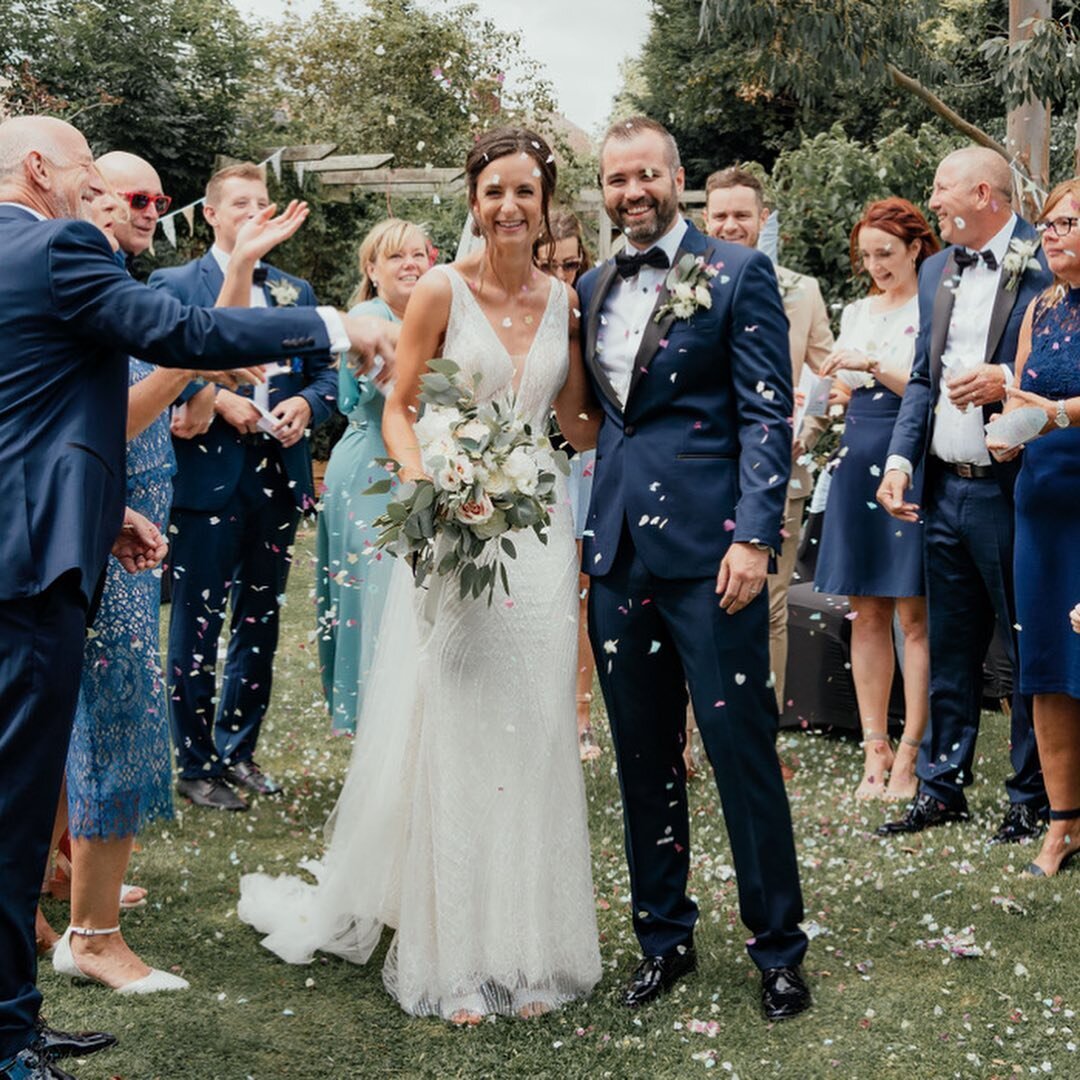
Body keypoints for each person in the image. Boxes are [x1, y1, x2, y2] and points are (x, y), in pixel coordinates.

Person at [0, 115, 393, 1080]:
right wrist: (339, 324)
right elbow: (182, 331)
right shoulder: (55, 243)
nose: (96, 194)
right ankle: (7, 1043)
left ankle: (11, 1022)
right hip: (26, 574)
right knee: (13, 814)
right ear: (42, 169)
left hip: (35, 541)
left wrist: (101, 513)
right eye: (88, 173)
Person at [238, 127, 602, 1025]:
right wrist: (435, 479)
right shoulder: (441, 289)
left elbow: (581, 426)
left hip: (542, 531)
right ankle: (456, 958)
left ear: (545, 200)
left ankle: (528, 951)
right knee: (464, 724)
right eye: (493, 192)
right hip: (456, 526)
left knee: (535, 727)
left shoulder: (567, 301)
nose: (509, 207)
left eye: (525, 191)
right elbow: (400, 410)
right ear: (473, 201)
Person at [579, 116, 810, 1021]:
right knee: (642, 758)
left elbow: (767, 412)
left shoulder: (739, 271)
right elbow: (601, 419)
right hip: (619, 554)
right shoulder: (593, 284)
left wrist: (754, 537)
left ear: (678, 178)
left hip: (716, 556)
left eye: (647, 174)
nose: (632, 191)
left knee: (739, 749)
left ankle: (778, 950)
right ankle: (663, 937)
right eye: (616, 178)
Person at [150, 163, 339, 811]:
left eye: (263, 202)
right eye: (241, 203)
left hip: (276, 479)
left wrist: (309, 407)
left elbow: (326, 373)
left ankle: (240, 749)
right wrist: (212, 393)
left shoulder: (295, 290)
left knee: (260, 622)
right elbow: (151, 360)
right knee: (197, 624)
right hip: (206, 476)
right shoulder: (173, 283)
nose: (255, 211)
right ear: (210, 214)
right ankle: (196, 762)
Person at [876, 146, 1050, 841]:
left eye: (943, 188)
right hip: (944, 486)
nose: (934, 199)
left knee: (1022, 643)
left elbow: (1063, 366)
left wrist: (1006, 375)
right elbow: (922, 377)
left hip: (1016, 489)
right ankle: (943, 787)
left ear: (985, 193)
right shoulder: (935, 270)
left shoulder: (1048, 262)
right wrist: (898, 460)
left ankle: (1031, 795)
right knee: (950, 645)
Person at [703, 165, 834, 780]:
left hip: (773, 474)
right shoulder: (681, 279)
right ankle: (685, 737)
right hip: (696, 473)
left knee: (771, 608)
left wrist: (807, 430)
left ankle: (761, 735)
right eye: (720, 214)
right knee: (689, 602)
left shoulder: (800, 290)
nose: (730, 224)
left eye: (742, 215)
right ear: (705, 217)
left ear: (763, 218)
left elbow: (827, 364)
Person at [814, 198, 939, 801]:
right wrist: (834, 388)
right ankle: (874, 749)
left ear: (916, 248)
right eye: (866, 255)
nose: (875, 265)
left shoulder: (935, 305)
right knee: (866, 612)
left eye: (886, 253)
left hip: (908, 453)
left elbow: (926, 386)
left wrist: (868, 362)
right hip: (858, 452)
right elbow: (846, 384)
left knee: (913, 616)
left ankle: (913, 752)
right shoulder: (857, 308)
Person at [987, 178, 1080, 875]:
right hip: (1040, 506)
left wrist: (1054, 416)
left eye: (1069, 222)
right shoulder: (1040, 306)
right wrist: (1004, 432)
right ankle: (1063, 823)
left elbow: (1055, 408)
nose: (1052, 234)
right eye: (1048, 222)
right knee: (1045, 667)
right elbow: (1023, 398)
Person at [316, 218, 428, 733]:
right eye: (395, 257)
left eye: (419, 255)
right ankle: (378, 724)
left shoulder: (433, 316)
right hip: (371, 469)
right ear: (372, 269)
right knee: (378, 593)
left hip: (416, 463)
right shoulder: (365, 316)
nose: (411, 264)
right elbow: (403, 390)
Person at [538, 208, 600, 760]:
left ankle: (580, 717)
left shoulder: (590, 310)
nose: (562, 278)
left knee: (579, 599)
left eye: (571, 265)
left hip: (582, 468)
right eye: (550, 265)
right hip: (526, 469)